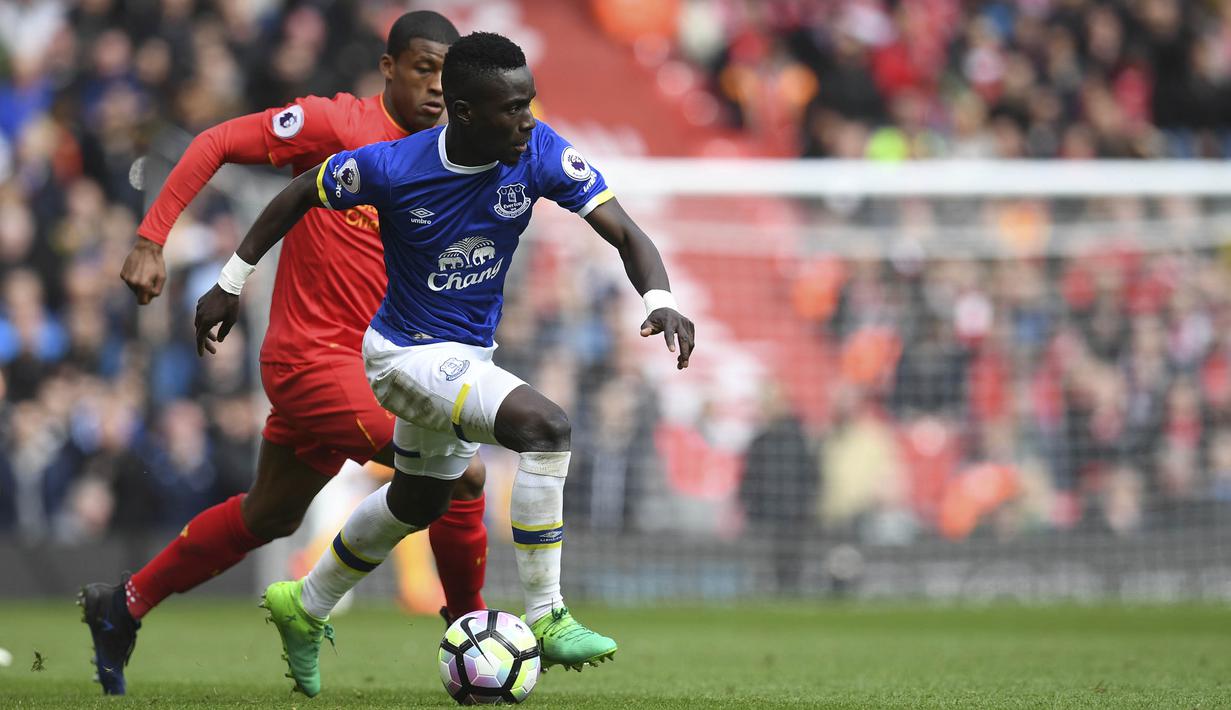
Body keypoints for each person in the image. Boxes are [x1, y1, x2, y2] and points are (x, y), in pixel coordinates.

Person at [194, 31, 696, 697]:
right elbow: (296, 197)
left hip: (466, 355)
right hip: (402, 358)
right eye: (510, 109)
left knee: (418, 497)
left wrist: (659, 298)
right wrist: (230, 281)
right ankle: (546, 616)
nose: (525, 120)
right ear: (462, 112)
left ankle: (304, 604)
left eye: (529, 103)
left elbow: (624, 229)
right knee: (545, 428)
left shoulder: (538, 150)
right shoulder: (394, 166)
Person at [78, 12, 492, 697]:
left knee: (269, 515)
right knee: (461, 473)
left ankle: (121, 603)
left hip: (376, 372)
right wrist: (152, 239)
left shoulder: (451, 159)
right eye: (424, 69)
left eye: (450, 77)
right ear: (388, 67)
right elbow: (215, 140)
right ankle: (471, 630)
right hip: (312, 363)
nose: (437, 88)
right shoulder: (335, 125)